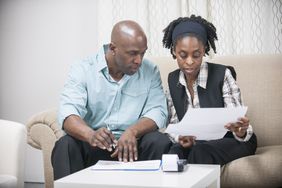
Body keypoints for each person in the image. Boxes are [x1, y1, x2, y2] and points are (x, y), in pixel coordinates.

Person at [52, 20, 171, 180]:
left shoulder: (150, 71)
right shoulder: (82, 68)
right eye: (133, 53)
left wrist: (132, 131)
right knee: (65, 145)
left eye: (142, 53)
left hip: (133, 146)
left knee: (158, 141)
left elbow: (158, 111)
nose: (139, 60)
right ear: (113, 48)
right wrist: (90, 134)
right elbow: (68, 112)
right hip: (94, 144)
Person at [162, 15, 257, 165]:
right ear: (174, 51)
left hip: (232, 140)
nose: (189, 61)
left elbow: (235, 117)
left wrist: (240, 130)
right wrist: (181, 137)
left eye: (196, 55)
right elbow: (174, 123)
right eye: (183, 55)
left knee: (201, 152)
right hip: (198, 143)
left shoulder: (222, 74)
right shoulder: (173, 81)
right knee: (173, 154)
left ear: (204, 49)